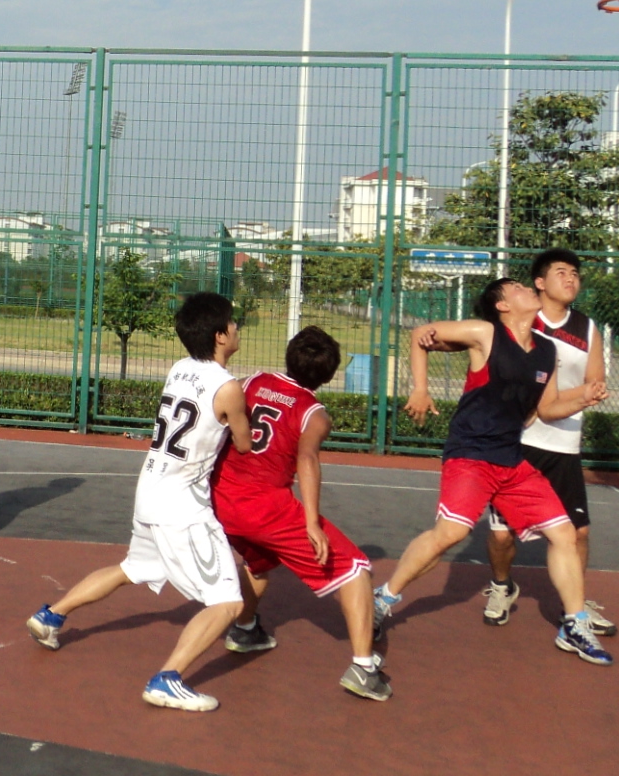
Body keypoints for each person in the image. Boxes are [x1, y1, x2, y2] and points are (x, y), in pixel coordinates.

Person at [24, 293, 250, 712]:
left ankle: (52, 614)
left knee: (131, 568)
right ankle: (168, 679)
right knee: (228, 603)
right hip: (183, 506)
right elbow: (243, 443)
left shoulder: (180, 368)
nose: (238, 328)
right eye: (233, 323)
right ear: (220, 336)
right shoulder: (229, 388)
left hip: (150, 488)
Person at [373, 277, 614, 665]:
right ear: (503, 305)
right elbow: (420, 334)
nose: (527, 289)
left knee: (565, 533)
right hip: (471, 454)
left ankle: (574, 624)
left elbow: (547, 408)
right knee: (452, 532)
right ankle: (382, 599)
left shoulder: (546, 350)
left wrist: (582, 398)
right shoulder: (485, 333)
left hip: (511, 460)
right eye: (517, 288)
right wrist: (419, 389)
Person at [212, 325, 390, 701]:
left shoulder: (253, 381)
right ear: (329, 374)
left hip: (223, 499)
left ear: (289, 354)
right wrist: (311, 522)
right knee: (357, 570)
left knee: (259, 562)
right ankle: (364, 669)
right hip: (265, 508)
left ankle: (245, 628)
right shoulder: (314, 413)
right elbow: (307, 459)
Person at [480, 249, 614, 635]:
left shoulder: (587, 328)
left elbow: (594, 380)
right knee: (502, 534)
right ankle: (502, 587)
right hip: (517, 443)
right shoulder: (521, 316)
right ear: (539, 282)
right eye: (561, 272)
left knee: (579, 532)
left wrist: (588, 392)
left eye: (575, 273)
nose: (571, 279)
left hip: (564, 444)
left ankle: (575, 605)